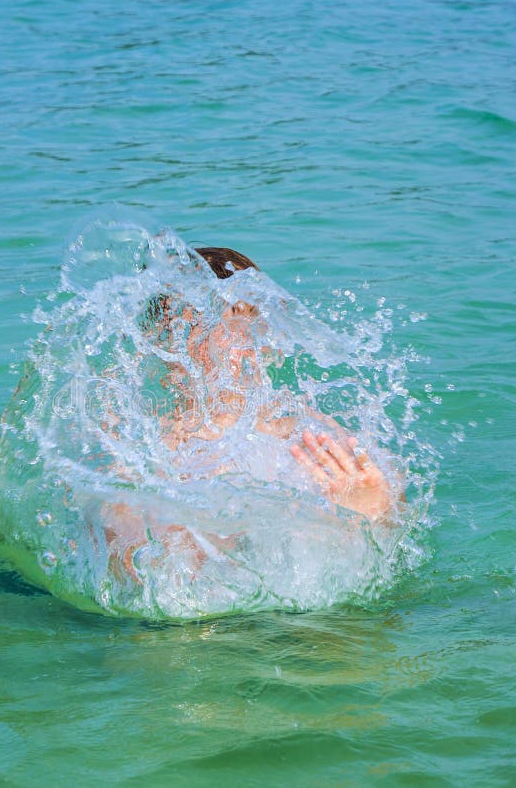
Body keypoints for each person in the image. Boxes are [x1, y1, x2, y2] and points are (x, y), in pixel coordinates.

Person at [103, 246, 401, 582]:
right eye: (223, 317)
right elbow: (139, 570)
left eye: (253, 316)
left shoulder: (306, 432)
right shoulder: (136, 449)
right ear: (166, 340)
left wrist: (375, 514)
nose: (245, 335)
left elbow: (390, 535)